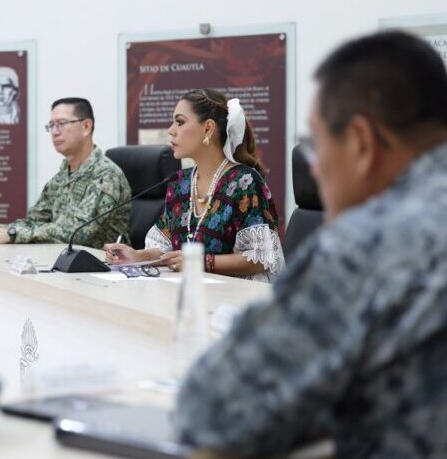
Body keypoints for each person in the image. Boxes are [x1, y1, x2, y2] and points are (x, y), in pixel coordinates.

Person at [174, 31, 447, 458]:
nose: (315, 172)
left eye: (318, 144)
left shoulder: (372, 242)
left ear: (360, 142)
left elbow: (212, 407)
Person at [105, 89, 284, 281]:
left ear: (207, 128)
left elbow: (261, 257)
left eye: (180, 122)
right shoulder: (179, 183)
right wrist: (137, 256)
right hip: (188, 293)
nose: (171, 130)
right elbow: (167, 250)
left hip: (234, 299)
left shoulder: (244, 181)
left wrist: (202, 262)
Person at [0, 97, 131, 249]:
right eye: (51, 125)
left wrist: (11, 234)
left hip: (103, 269)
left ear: (86, 127)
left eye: (61, 124)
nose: (54, 132)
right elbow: (35, 221)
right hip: (63, 265)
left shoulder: (106, 175)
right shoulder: (62, 176)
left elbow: (79, 233)